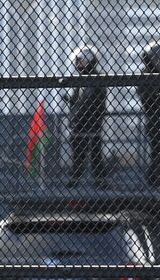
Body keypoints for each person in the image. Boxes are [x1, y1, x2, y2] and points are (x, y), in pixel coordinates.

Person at [63, 45, 108, 187]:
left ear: (89, 60)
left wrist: (76, 118)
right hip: (82, 124)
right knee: (80, 154)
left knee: (93, 154)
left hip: (89, 123)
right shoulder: (82, 80)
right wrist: (71, 102)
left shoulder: (95, 79)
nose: (77, 63)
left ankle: (99, 181)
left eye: (80, 60)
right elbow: (79, 100)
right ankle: (81, 180)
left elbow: (89, 102)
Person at [136, 41, 160, 186]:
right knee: (158, 150)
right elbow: (147, 98)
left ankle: (156, 179)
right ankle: (154, 180)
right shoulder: (146, 75)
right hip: (155, 119)